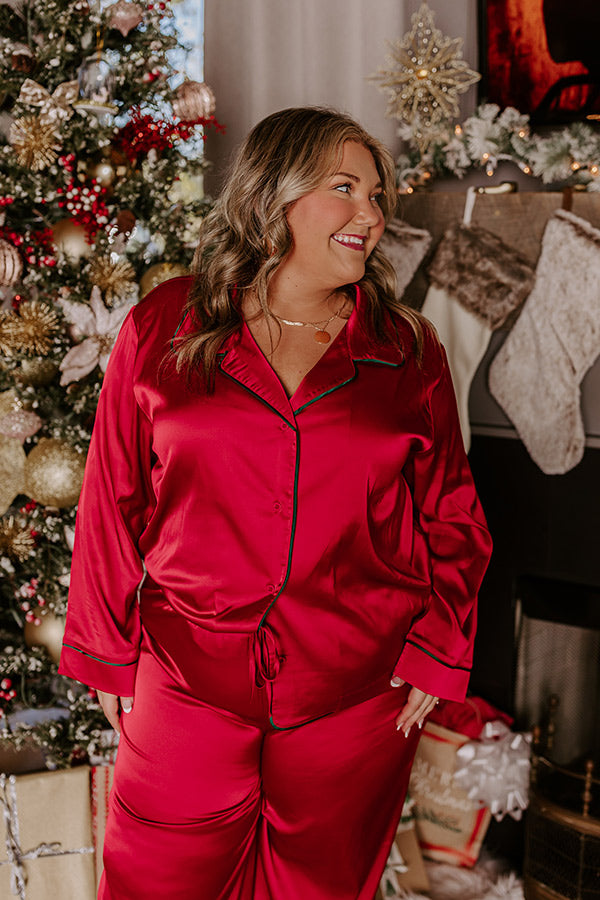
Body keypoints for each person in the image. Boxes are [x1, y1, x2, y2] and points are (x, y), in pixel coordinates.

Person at [59, 106, 492, 900]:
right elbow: (111, 497)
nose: (371, 214)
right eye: (345, 188)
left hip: (356, 690)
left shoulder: (407, 350)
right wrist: (107, 656)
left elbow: (453, 515)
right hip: (184, 675)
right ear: (275, 193)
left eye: (377, 195)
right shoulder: (166, 322)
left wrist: (437, 646)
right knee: (156, 882)